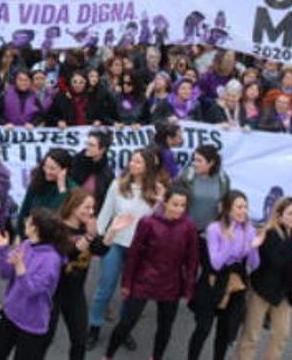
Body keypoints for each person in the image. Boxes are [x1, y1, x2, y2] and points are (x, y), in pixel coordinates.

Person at [101, 184, 199, 360]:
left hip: (171, 283)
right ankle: (108, 355)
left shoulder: (189, 226)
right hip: (144, 280)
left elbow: (192, 260)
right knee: (127, 322)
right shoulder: (148, 222)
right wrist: (126, 283)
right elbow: (134, 255)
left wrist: (189, 287)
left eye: (183, 206)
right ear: (165, 203)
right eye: (175, 204)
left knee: (165, 326)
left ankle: (156, 357)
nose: (179, 209)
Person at [87, 149, 162, 350]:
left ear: (148, 166)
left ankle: (124, 329)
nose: (132, 164)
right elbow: (106, 213)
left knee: (130, 294)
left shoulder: (156, 190)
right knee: (105, 288)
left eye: (138, 161)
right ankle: (94, 326)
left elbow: (156, 222)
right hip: (115, 243)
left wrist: (161, 201)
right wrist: (99, 241)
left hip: (140, 250)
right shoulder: (117, 185)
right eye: (132, 160)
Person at [46, 190, 133, 360]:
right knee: (44, 338)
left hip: (75, 293)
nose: (91, 212)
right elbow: (67, 254)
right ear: (72, 206)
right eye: (86, 207)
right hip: (52, 293)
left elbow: (99, 249)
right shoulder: (56, 228)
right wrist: (89, 236)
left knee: (79, 340)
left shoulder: (86, 227)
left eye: (93, 208)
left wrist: (112, 232)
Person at [187, 191, 263, 360]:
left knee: (224, 331)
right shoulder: (214, 228)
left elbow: (254, 264)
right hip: (214, 281)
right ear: (228, 209)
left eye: (245, 207)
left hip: (235, 282)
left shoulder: (249, 230)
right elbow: (216, 263)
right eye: (239, 207)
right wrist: (228, 239)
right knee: (203, 328)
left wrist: (254, 247)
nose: (243, 211)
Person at [0, 208, 67, 359]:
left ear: (35, 228)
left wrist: (19, 267)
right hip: (10, 314)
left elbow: (32, 291)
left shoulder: (51, 259)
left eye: (29, 220)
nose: (25, 221)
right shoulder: (26, 244)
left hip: (32, 325)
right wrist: (2, 250)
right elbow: (5, 274)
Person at [235, 197, 292, 360]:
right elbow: (276, 262)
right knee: (251, 335)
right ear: (279, 215)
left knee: (281, 336)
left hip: (285, 294)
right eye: (290, 214)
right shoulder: (269, 233)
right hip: (261, 290)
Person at [16, 148, 75, 233]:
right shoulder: (38, 181)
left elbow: (63, 214)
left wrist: (62, 188)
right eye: (46, 167)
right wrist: (18, 234)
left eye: (52, 168)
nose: (47, 171)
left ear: (64, 170)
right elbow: (25, 210)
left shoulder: (73, 189)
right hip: (31, 234)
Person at [177, 145, 231, 232]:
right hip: (187, 229)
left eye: (199, 161)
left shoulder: (223, 180)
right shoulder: (187, 176)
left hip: (210, 232)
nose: (195, 164)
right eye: (194, 160)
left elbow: (226, 206)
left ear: (211, 163)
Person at [69, 129, 115, 210]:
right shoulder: (75, 163)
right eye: (87, 144)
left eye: (92, 145)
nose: (87, 147)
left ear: (102, 149)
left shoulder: (107, 174)